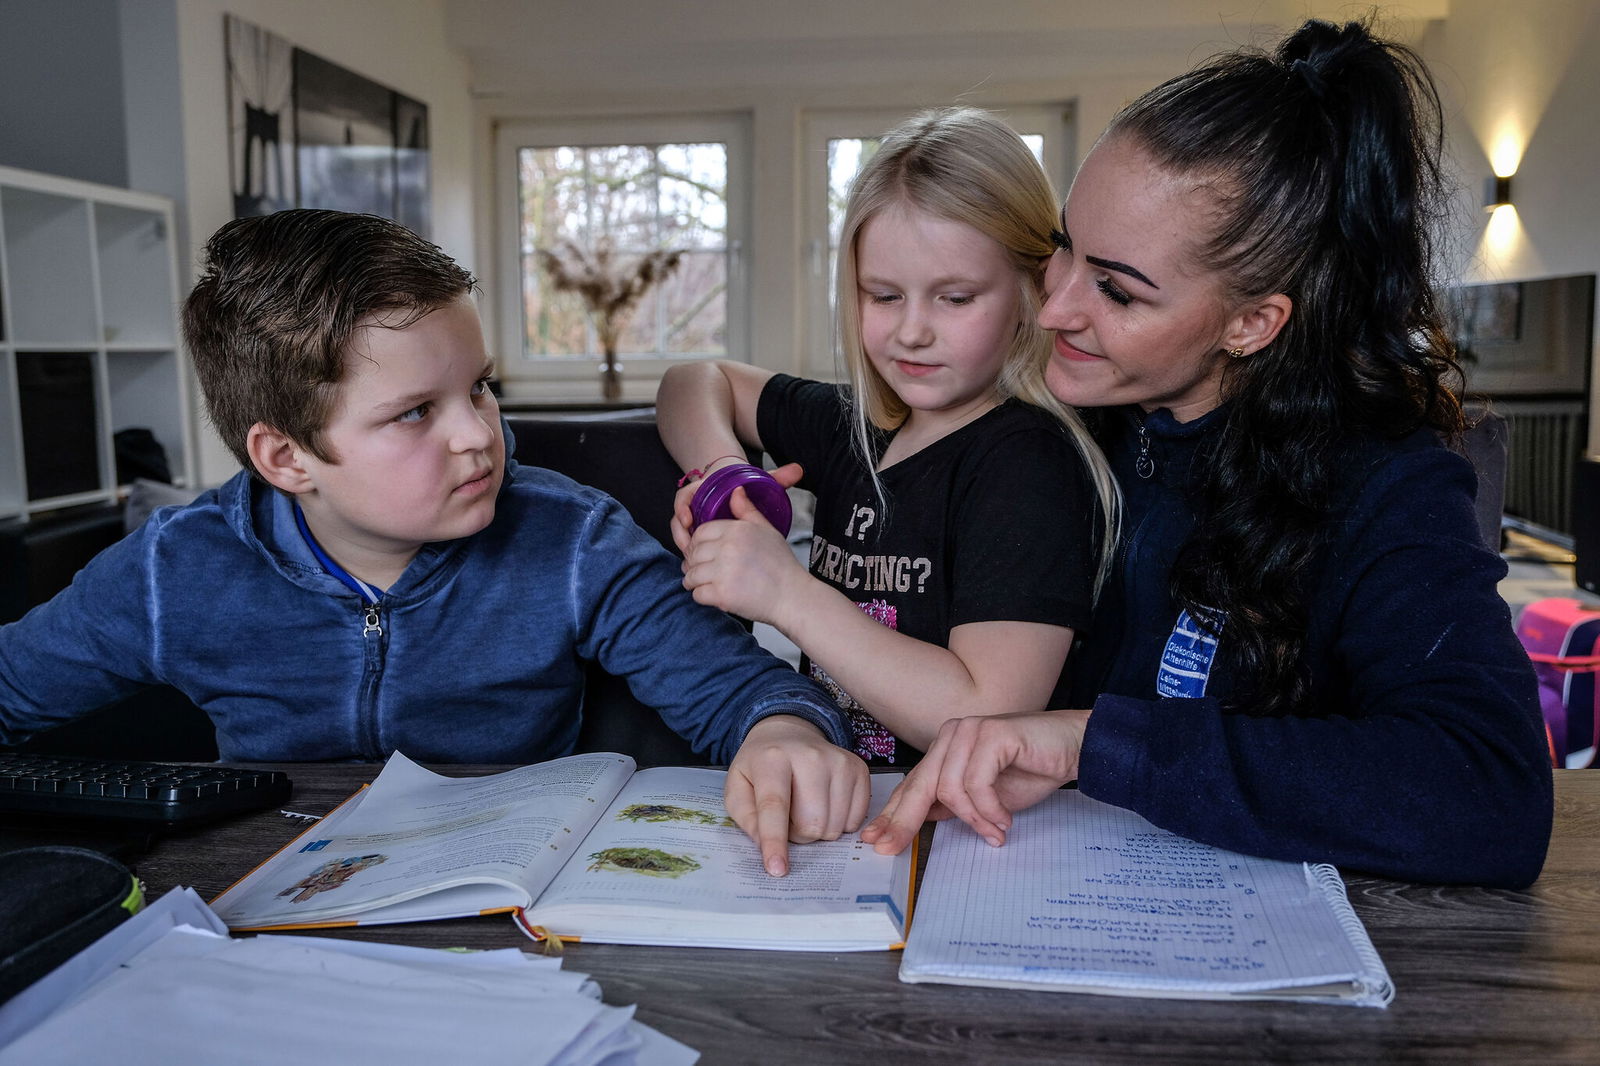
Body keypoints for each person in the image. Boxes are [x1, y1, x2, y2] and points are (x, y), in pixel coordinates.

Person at [863, 19, 1554, 888]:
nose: (1054, 309)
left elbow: (1493, 794)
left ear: (1251, 323)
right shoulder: (1047, 414)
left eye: (1117, 289)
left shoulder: (1384, 479)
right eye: (1064, 248)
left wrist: (1095, 742)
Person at [0, 209, 865, 877]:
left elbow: (739, 688)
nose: (479, 435)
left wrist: (780, 730)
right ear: (287, 456)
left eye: (480, 388)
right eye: (416, 412)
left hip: (509, 899)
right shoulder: (174, 570)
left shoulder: (572, 539)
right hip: (262, 905)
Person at [657, 107, 1117, 768]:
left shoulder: (1028, 462)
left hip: (973, 831)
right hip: (854, 803)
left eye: (954, 298)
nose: (912, 332)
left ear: (1031, 287)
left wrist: (786, 593)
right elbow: (693, 381)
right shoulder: (856, 426)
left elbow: (987, 717)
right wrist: (725, 474)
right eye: (883, 295)